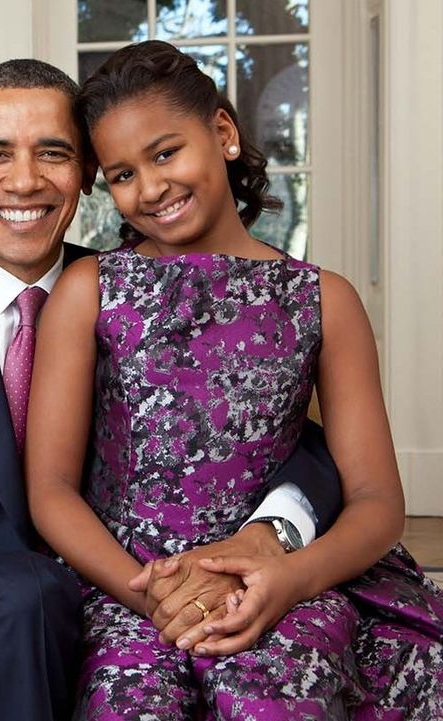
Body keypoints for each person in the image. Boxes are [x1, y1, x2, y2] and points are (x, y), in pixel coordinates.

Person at [0, 58, 343, 721]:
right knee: (25, 590)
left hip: (138, 590)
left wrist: (276, 527)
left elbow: (280, 433)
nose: (24, 180)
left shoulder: (139, 290)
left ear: (87, 174)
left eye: (53, 153)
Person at [27, 40, 443, 719]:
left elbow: (375, 500)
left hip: (281, 585)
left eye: (165, 153)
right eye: (123, 173)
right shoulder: (90, 290)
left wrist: (286, 578)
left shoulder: (323, 299)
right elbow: (50, 491)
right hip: (130, 585)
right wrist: (154, 596)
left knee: (277, 699)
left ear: (222, 132)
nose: (151, 188)